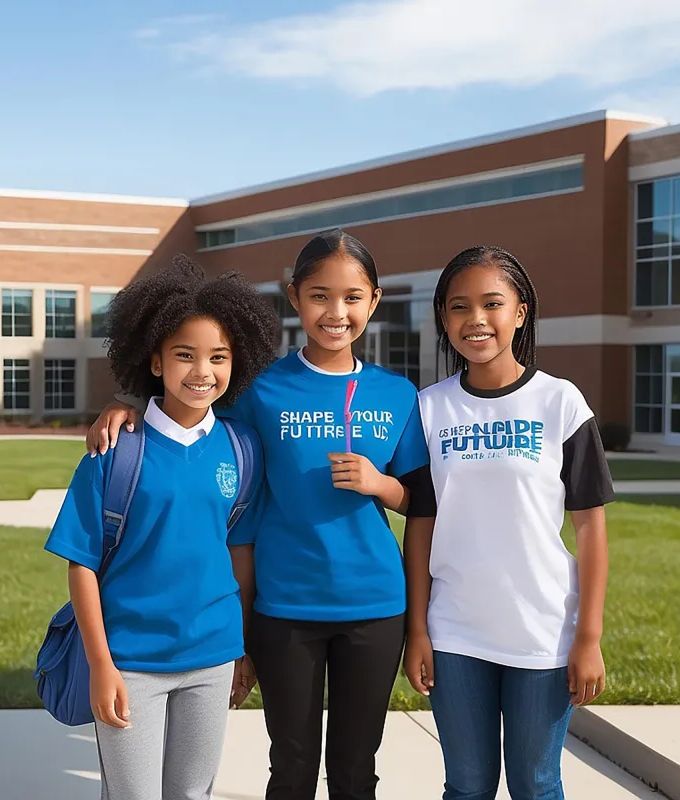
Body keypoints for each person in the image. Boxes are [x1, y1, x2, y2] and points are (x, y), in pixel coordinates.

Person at [86, 229, 430, 800]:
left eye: (351, 297)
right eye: (320, 295)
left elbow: (423, 503)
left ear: (374, 300)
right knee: (291, 766)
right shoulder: (259, 387)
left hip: (374, 604)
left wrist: (383, 485)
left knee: (355, 769)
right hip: (284, 605)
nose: (335, 312)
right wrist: (124, 404)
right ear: (292, 297)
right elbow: (189, 396)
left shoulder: (397, 395)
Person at [43, 254, 280, 800]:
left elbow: (239, 553)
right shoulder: (114, 450)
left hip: (212, 656)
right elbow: (82, 565)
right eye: (185, 355)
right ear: (155, 361)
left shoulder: (242, 448)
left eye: (218, 357)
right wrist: (101, 665)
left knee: (192, 795)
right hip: (131, 661)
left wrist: (242, 648)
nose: (203, 372)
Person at [401, 245, 614, 800]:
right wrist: (418, 630)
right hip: (455, 633)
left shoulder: (561, 403)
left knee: (536, 785)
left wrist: (587, 637)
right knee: (467, 787)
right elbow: (420, 525)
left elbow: (591, 530)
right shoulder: (429, 409)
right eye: (458, 307)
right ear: (444, 320)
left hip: (542, 632)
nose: (476, 320)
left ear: (520, 312)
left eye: (492, 304)